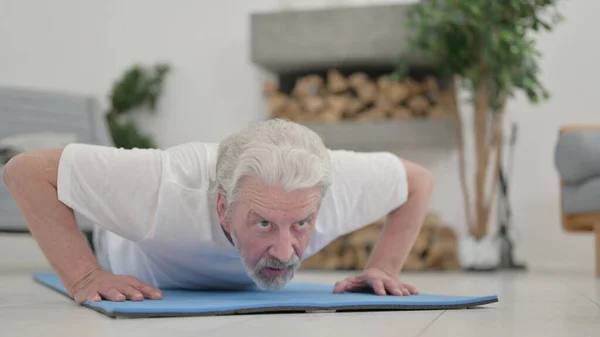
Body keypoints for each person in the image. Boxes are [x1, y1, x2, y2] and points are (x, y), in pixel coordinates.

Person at [2, 119, 434, 304]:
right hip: (123, 245)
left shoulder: (333, 182)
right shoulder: (163, 182)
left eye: (301, 224)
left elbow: (418, 181)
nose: (285, 251)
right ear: (223, 207)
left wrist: (385, 267)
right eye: (264, 223)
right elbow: (24, 173)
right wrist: (86, 276)